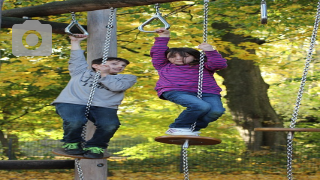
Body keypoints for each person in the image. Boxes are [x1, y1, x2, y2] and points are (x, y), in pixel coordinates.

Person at [52, 34, 137, 158]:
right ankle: (71, 143)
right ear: (96, 65)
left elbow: (117, 87)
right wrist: (75, 42)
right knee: (75, 121)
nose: (120, 67)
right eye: (114, 64)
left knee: (110, 124)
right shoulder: (80, 71)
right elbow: (76, 58)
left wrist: (104, 75)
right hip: (72, 102)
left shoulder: (127, 78)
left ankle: (96, 146)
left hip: (104, 106)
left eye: (123, 66)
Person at [150, 28, 227, 136]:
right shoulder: (163, 65)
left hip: (208, 92)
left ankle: (191, 129)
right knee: (201, 106)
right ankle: (177, 127)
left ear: (194, 57)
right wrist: (163, 37)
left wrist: (210, 51)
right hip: (176, 90)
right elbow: (158, 52)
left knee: (216, 111)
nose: (178, 59)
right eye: (173, 56)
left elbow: (220, 64)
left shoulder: (202, 65)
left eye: (185, 56)